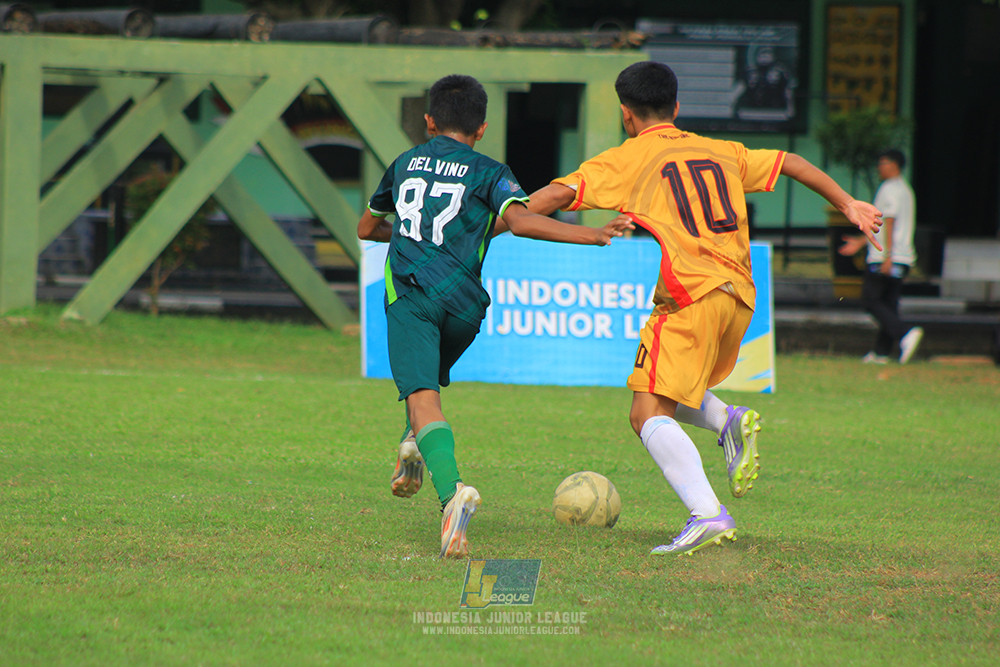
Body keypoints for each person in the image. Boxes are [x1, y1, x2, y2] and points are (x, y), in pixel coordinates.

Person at [520, 61, 883, 555]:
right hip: (739, 296)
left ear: (627, 116)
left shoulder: (628, 158)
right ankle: (726, 422)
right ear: (677, 107)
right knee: (665, 388)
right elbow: (791, 163)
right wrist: (848, 204)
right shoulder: (721, 150)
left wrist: (502, 216)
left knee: (646, 412)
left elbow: (559, 195)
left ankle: (707, 513)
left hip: (689, 294)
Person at [357, 74, 633, 559]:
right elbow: (520, 221)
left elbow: (367, 227)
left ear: (428, 121)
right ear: (481, 128)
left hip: (413, 297)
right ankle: (413, 447)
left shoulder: (403, 163)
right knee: (426, 391)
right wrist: (592, 234)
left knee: (423, 400)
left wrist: (404, 237)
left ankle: (451, 498)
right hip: (466, 309)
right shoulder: (489, 170)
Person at [838, 149, 923, 364]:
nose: (879, 167)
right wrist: (859, 243)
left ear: (894, 164)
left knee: (870, 300)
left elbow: (890, 221)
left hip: (885, 257)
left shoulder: (889, 189)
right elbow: (884, 226)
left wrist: (887, 256)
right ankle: (881, 352)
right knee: (889, 302)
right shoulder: (905, 189)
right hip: (902, 256)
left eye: (882, 162)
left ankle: (905, 333)